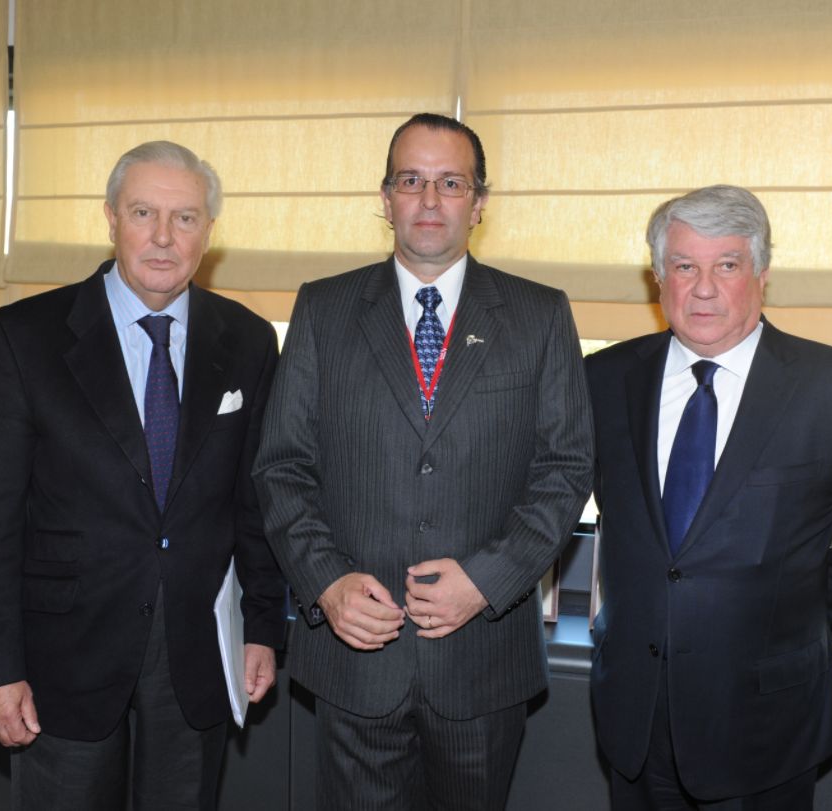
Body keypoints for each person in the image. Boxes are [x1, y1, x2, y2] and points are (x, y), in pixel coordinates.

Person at [252, 113, 593, 811]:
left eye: (449, 182)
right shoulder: (323, 309)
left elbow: (564, 470)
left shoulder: (539, 314)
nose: (430, 201)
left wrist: (486, 580)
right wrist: (326, 582)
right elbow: (282, 467)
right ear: (385, 198)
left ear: (479, 201)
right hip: (357, 657)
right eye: (411, 181)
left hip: (482, 659)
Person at [0, 141, 288, 810]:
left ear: (209, 231)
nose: (164, 237)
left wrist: (262, 626)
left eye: (185, 218)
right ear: (110, 217)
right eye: (144, 212)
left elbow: (254, 502)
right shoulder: (24, 336)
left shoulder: (249, 340)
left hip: (195, 652)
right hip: (63, 657)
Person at [585, 185, 832, 810]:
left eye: (727, 266)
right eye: (684, 266)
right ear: (659, 278)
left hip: (765, 719)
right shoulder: (602, 380)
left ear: (761, 274)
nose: (703, 288)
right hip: (635, 712)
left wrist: (792, 628)